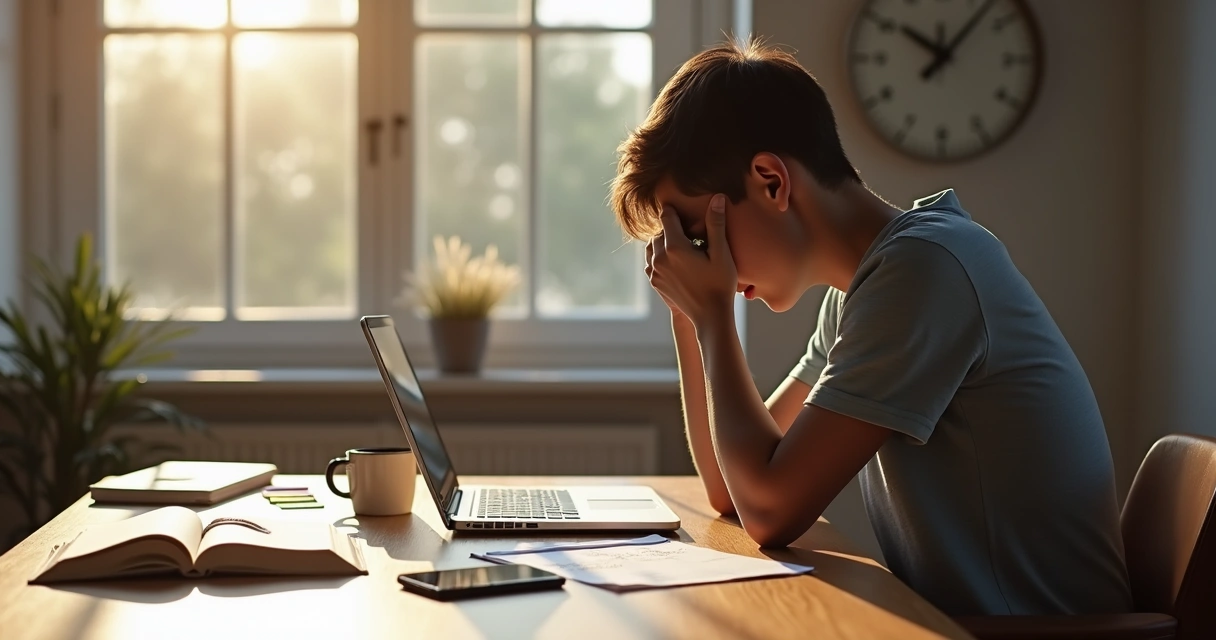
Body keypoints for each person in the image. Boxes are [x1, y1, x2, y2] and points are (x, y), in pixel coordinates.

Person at [609, 40, 1133, 616]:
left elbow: (768, 510)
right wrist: (689, 316)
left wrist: (713, 317)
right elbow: (731, 490)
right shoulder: (860, 292)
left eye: (698, 234)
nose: (701, 258)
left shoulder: (925, 270)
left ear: (771, 182)